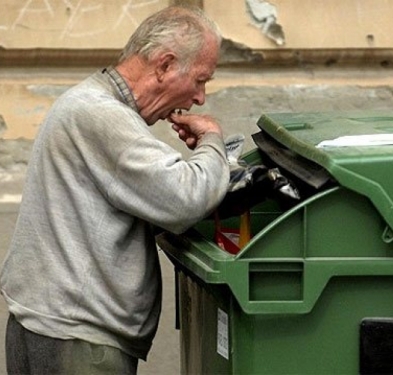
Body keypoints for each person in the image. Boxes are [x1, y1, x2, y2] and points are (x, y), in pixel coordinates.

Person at [0, 5, 229, 374]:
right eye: (201, 80)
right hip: (77, 339)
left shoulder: (91, 105)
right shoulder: (101, 115)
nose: (200, 98)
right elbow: (186, 198)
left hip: (55, 328)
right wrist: (212, 141)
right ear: (165, 65)